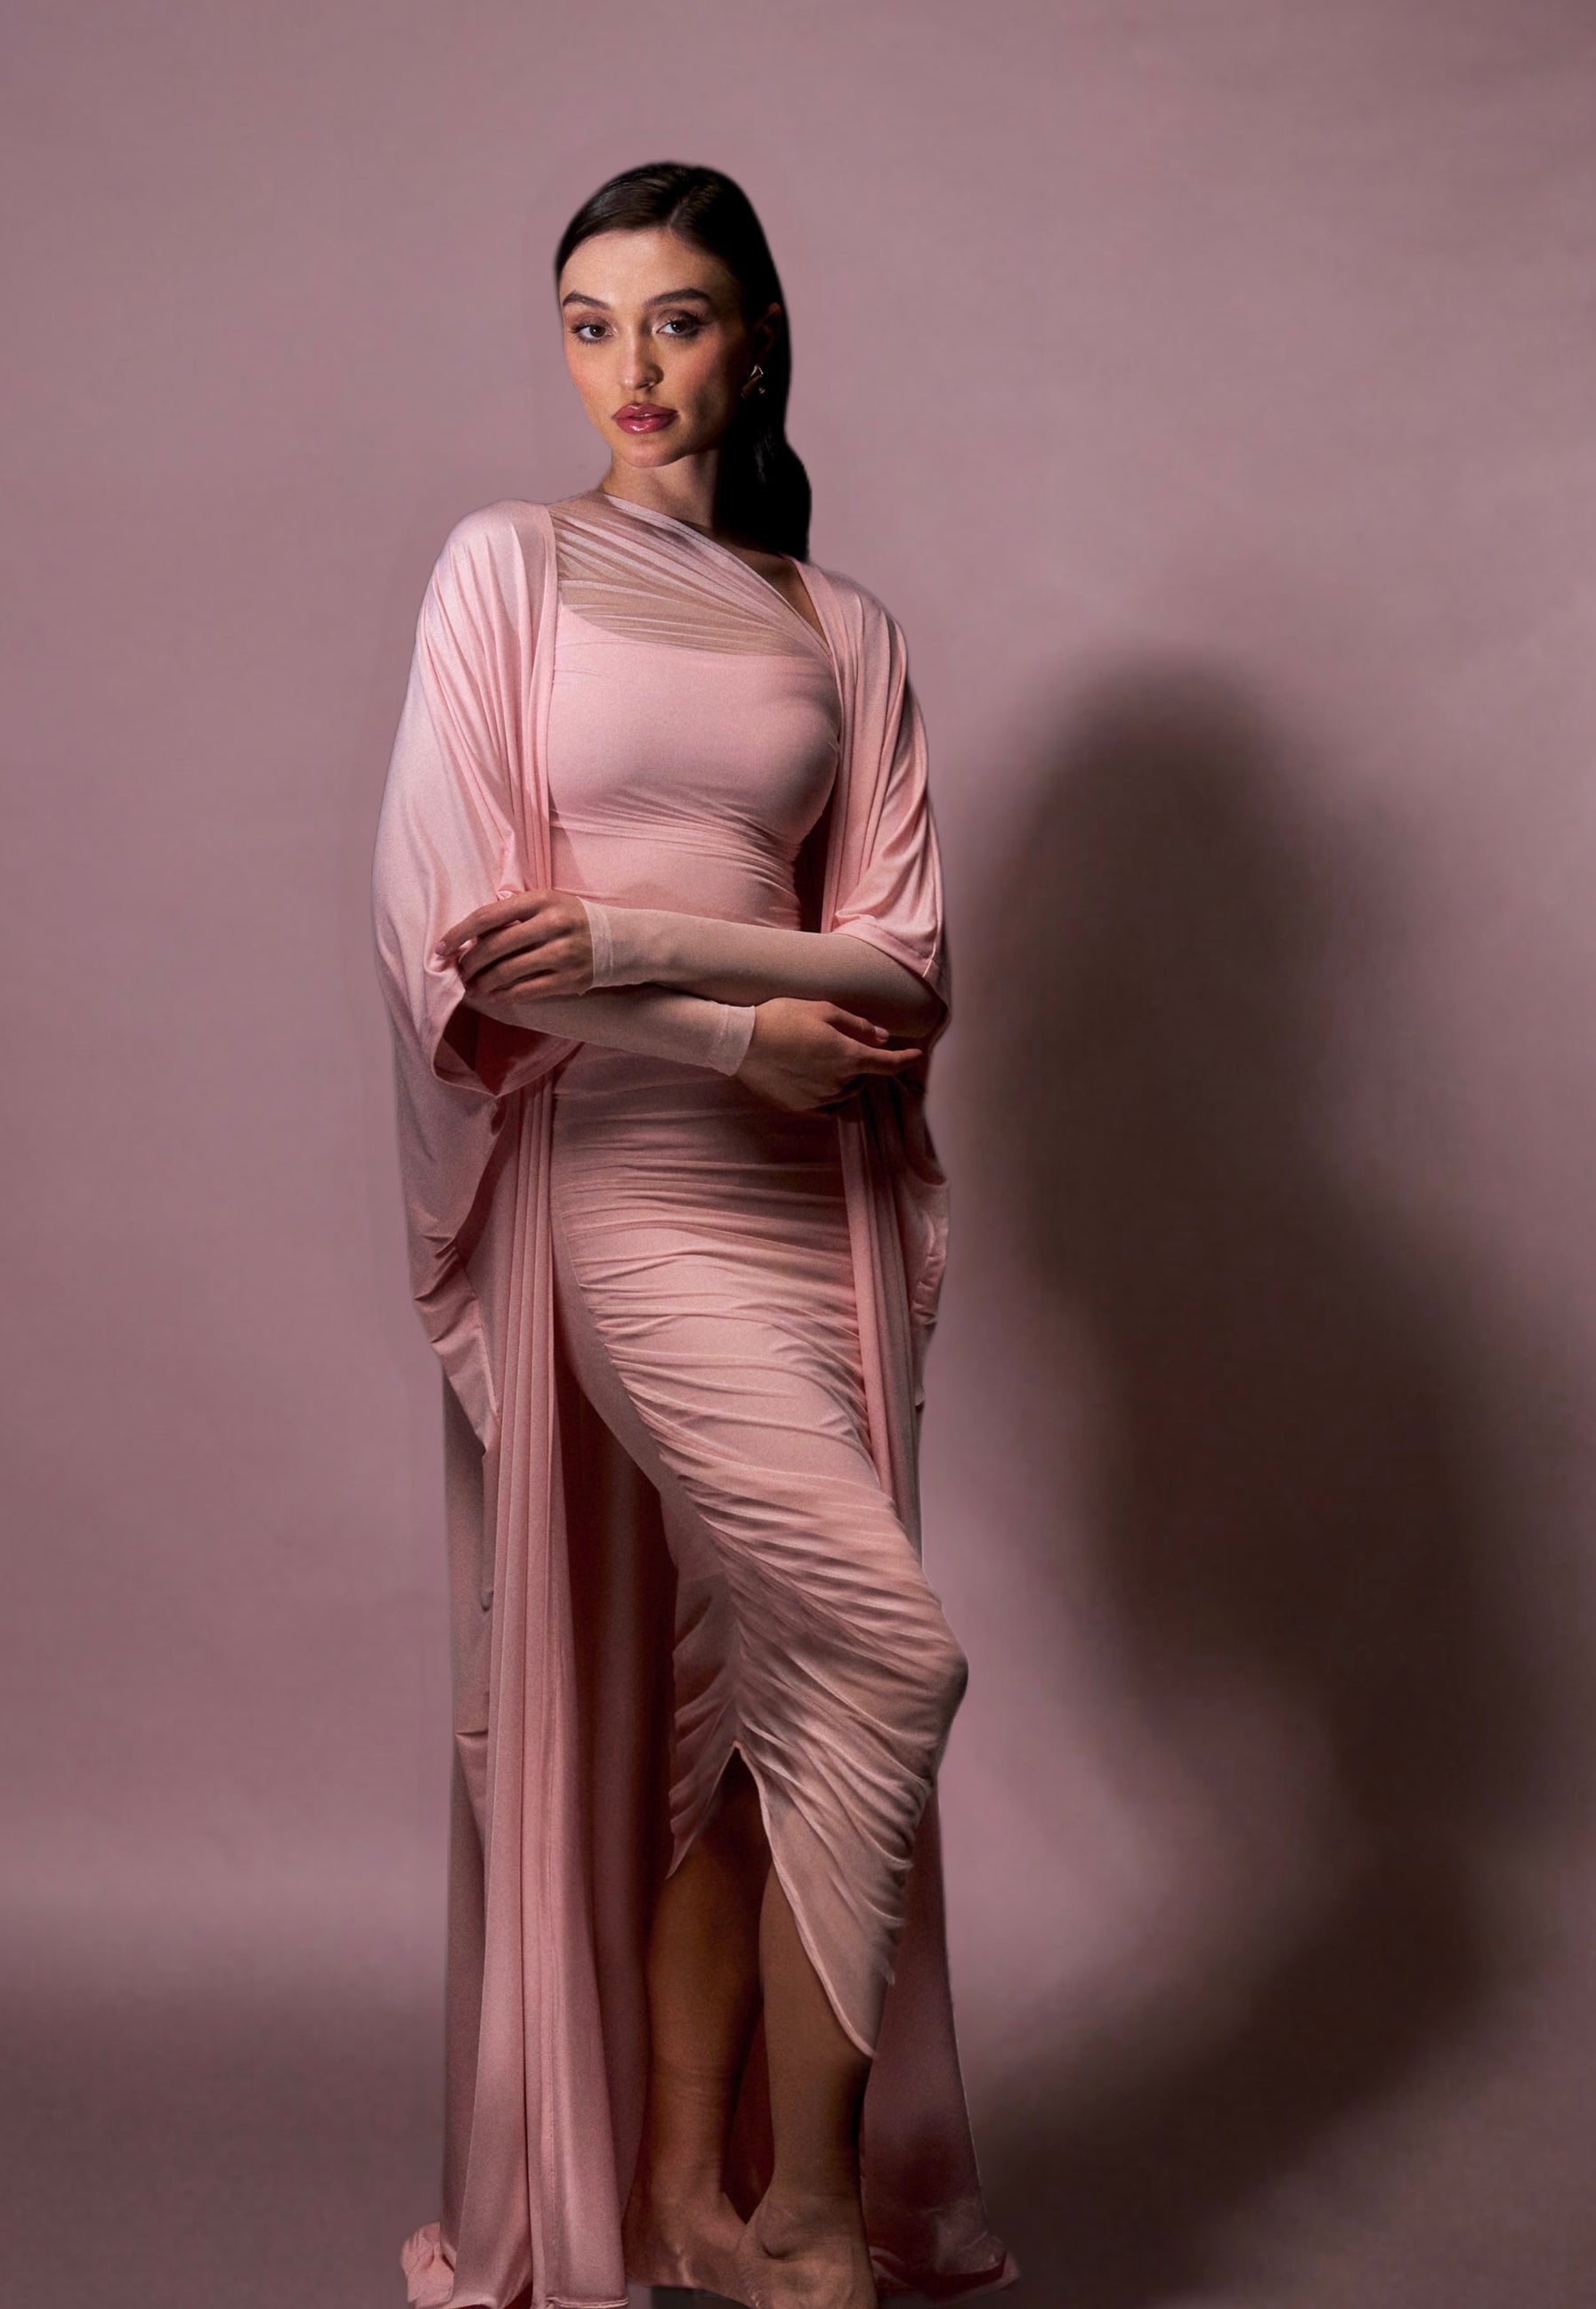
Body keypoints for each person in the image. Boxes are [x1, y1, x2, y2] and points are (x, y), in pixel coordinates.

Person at [371, 160, 1015, 2309]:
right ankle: (812, 2223)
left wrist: (662, 946)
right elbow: (463, 947)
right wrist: (740, 1023)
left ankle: (683, 2203)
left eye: (674, 318)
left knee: (776, 1702)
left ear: (756, 341)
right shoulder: (508, 568)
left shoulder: (846, 631)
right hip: (632, 1187)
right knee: (894, 1652)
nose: (628, 367)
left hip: (809, 1205)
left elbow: (906, 965)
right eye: (587, 322)